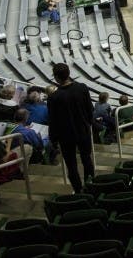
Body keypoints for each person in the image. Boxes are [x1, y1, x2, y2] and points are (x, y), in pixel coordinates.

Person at [47, 63, 94, 195]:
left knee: (71, 164)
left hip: (65, 135)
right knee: (86, 159)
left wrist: (53, 139)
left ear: (56, 77)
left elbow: (53, 120)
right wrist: (88, 123)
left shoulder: (53, 97)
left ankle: (78, 190)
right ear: (68, 73)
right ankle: (90, 185)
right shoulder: (82, 88)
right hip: (83, 130)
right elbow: (90, 109)